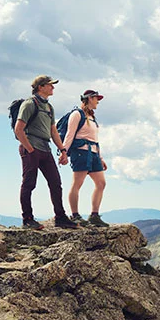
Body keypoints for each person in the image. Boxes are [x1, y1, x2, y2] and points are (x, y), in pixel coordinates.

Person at [15, 75, 79, 230]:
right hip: (31, 147)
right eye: (50, 85)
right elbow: (18, 129)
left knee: (56, 183)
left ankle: (60, 217)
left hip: (45, 148)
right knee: (29, 183)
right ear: (40, 87)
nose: (53, 87)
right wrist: (30, 149)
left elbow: (53, 131)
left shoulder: (49, 107)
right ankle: (27, 219)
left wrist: (63, 150)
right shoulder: (29, 104)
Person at [62, 89, 109, 227]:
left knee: (101, 183)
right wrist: (63, 152)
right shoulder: (77, 114)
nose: (98, 102)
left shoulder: (92, 118)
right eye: (96, 99)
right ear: (89, 99)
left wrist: (100, 157)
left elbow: (95, 139)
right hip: (81, 152)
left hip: (93, 153)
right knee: (77, 184)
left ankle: (94, 216)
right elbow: (70, 134)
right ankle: (75, 215)